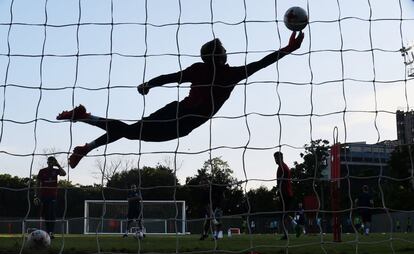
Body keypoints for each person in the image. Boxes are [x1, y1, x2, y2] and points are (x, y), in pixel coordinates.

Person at [57, 32, 304, 168]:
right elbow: (261, 64)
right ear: (221, 55)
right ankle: (85, 121)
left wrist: (149, 84)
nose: (226, 52)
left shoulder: (200, 68)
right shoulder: (231, 74)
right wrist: (288, 49)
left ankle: (85, 141)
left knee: (130, 131)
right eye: (224, 49)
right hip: (183, 122)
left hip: (174, 110)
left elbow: (170, 77)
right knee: (130, 132)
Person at [34, 156, 66, 239]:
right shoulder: (42, 171)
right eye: (50, 161)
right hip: (43, 196)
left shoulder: (56, 171)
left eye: (53, 161)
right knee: (45, 214)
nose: (51, 163)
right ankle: (48, 232)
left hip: (53, 196)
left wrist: (58, 165)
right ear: (47, 162)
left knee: (51, 214)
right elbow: (37, 184)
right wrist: (36, 196)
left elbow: (64, 173)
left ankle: (50, 232)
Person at [274, 151, 294, 240]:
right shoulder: (283, 167)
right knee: (284, 214)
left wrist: (279, 191)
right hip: (286, 193)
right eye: (275, 158)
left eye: (276, 158)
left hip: (285, 193)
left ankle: (288, 233)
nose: (275, 160)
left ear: (281, 158)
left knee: (283, 215)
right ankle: (295, 226)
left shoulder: (282, 168)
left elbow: (281, 182)